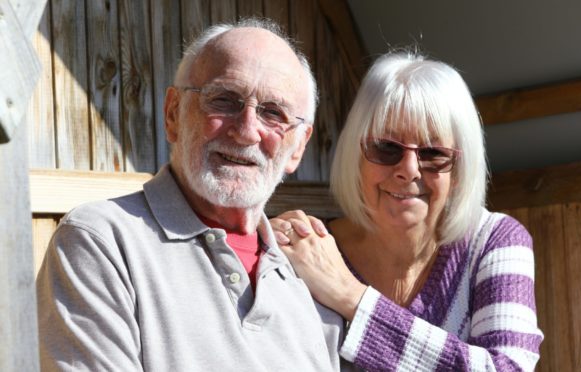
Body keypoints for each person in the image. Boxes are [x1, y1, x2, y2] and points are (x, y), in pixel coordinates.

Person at [36, 18, 350, 371]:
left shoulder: (309, 270)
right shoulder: (102, 241)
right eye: (224, 100)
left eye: (273, 113)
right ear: (173, 114)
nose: (247, 131)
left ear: (298, 148)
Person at [271, 52, 544, 371]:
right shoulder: (309, 248)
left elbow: (508, 368)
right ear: (356, 156)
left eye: (433, 153)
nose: (409, 170)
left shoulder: (494, 240)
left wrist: (350, 296)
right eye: (386, 147)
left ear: (459, 169)